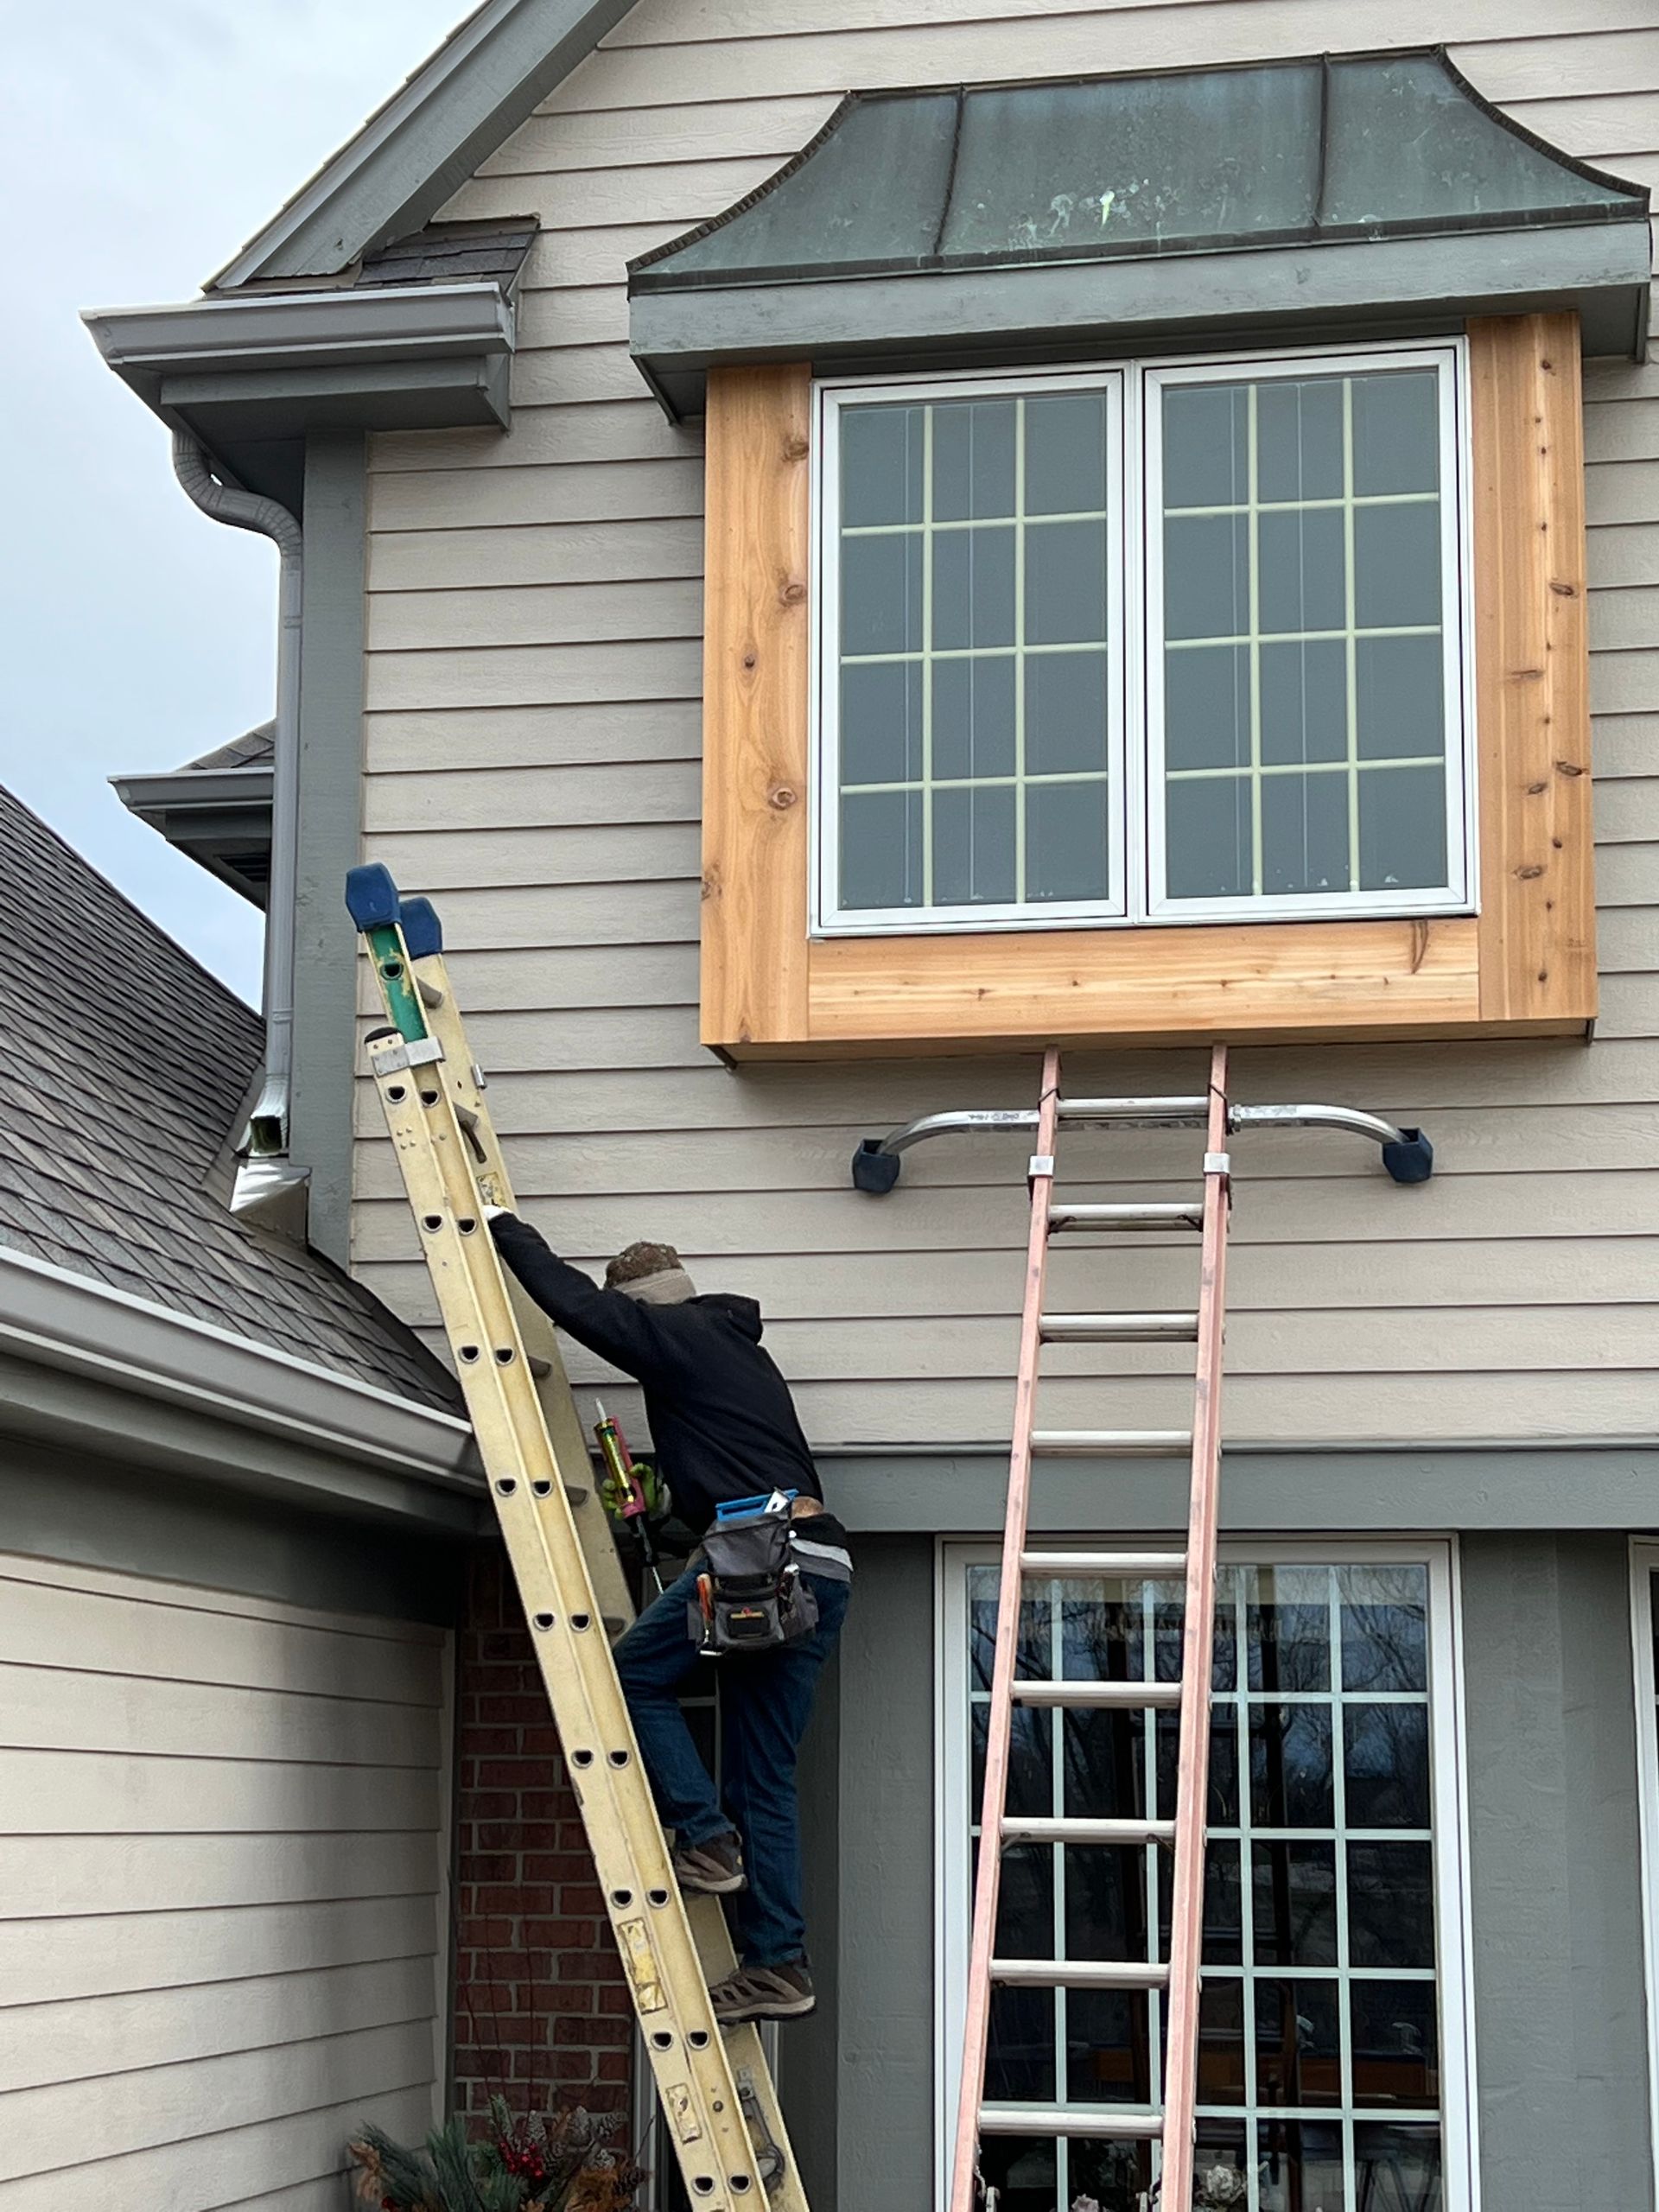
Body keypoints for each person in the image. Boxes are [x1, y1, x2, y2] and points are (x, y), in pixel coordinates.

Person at [487, 1216, 851, 2026]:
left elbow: (576, 1305)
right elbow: (734, 1467)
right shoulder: (735, 1349)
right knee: (763, 1775)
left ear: (646, 1309)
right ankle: (779, 1966)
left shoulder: (678, 1336)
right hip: (818, 1563)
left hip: (766, 1557)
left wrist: (503, 1233)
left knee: (630, 1675)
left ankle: (704, 1837)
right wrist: (677, 1511)